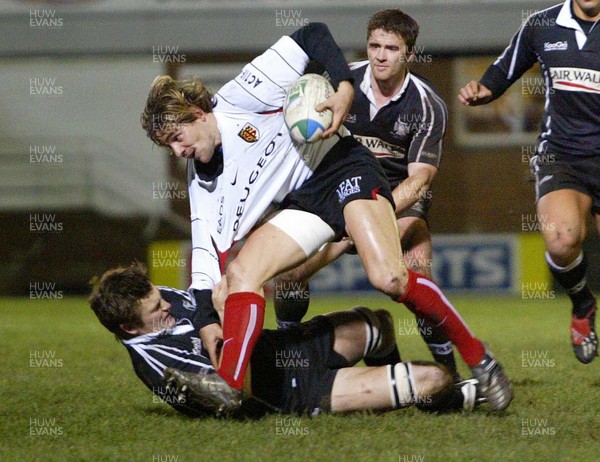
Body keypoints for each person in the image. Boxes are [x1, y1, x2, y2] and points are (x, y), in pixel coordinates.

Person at [141, 22, 512, 411]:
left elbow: (312, 35)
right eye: (168, 146)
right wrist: (207, 326)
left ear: (197, 114)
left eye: (177, 138)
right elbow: (204, 268)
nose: (177, 151)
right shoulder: (202, 185)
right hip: (305, 199)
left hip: (345, 168)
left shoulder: (242, 95)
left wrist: (345, 88)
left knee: (389, 277)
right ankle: (231, 386)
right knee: (240, 274)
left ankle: (481, 359)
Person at [273, 9, 460, 380]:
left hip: (398, 196)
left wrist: (370, 213)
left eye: (391, 48)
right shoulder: (339, 84)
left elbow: (420, 180)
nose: (380, 55)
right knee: (291, 273)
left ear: (409, 54)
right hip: (337, 190)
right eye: (374, 45)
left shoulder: (427, 104)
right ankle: (285, 352)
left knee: (413, 279)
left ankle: (448, 374)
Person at [88, 263, 480, 417]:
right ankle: (434, 401)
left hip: (288, 347)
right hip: (297, 391)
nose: (167, 307)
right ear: (129, 328)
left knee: (378, 322)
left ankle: (388, 384)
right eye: (157, 310)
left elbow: (204, 297)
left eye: (161, 298)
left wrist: (214, 313)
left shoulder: (157, 300)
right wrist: (223, 319)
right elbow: (230, 397)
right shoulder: (157, 366)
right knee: (434, 380)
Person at [458, 0, 599, 364]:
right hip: (562, 155)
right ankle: (582, 304)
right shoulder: (542, 25)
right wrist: (484, 89)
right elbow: (504, 69)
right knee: (561, 239)